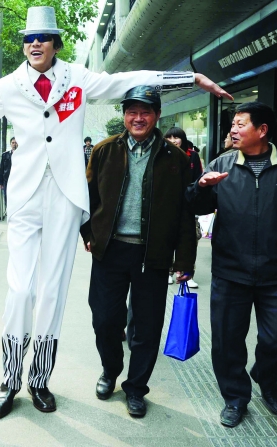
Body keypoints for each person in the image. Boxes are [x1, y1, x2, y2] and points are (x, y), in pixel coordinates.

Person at [0, 6, 232, 419]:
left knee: (53, 293)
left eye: (43, 38)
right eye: (29, 38)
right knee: (20, 291)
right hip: (24, 198)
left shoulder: (76, 77)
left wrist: (190, 78)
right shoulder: (7, 86)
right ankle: (9, 379)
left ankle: (39, 380)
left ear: (55, 44)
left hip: (64, 196)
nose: (35, 43)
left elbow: (125, 81)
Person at [186, 101, 277, 428]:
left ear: (262, 130)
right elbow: (195, 205)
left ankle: (265, 375)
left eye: (241, 124)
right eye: (233, 124)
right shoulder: (222, 164)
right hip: (230, 273)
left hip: (276, 273)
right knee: (227, 342)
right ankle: (235, 398)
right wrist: (202, 187)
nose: (233, 130)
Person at [81, 86, 196, 417]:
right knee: (105, 320)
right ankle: (110, 370)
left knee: (146, 327)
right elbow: (87, 198)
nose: (138, 118)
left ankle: (136, 387)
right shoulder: (104, 151)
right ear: (124, 116)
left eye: (146, 112)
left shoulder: (175, 158)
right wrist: (89, 234)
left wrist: (183, 260)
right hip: (110, 251)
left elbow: (185, 213)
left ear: (157, 115)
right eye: (132, 111)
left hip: (153, 254)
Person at [164, 127, 202, 289]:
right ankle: (168, 271)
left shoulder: (192, 155)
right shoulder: (163, 154)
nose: (173, 141)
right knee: (166, 239)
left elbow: (198, 179)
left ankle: (187, 273)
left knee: (190, 240)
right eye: (169, 138)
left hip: (187, 204)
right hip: (167, 204)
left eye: (176, 137)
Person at [0, 137, 17, 208]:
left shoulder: (21, 155)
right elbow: (1, 169)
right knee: (6, 196)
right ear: (10, 144)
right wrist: (0, 182)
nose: (14, 144)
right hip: (7, 179)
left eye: (15, 143)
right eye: (13, 143)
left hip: (17, 179)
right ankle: (8, 209)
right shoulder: (5, 155)